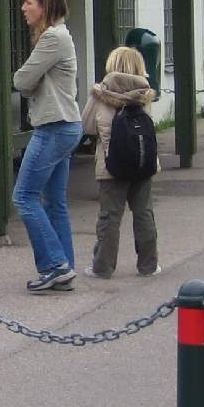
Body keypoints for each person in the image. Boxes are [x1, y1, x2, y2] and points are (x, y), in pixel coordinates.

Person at [11, 0, 83, 294]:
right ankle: (64, 267)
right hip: (66, 125)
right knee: (55, 202)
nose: (23, 8)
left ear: (45, 6)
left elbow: (22, 79)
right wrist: (29, 83)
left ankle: (56, 265)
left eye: (29, 3)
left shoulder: (52, 38)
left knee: (24, 197)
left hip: (54, 127)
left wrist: (27, 82)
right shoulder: (58, 36)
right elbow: (29, 82)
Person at [81, 46, 160, 279]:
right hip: (143, 163)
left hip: (111, 165)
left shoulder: (100, 93)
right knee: (144, 212)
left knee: (109, 217)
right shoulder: (144, 94)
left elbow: (86, 126)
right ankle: (148, 265)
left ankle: (103, 267)